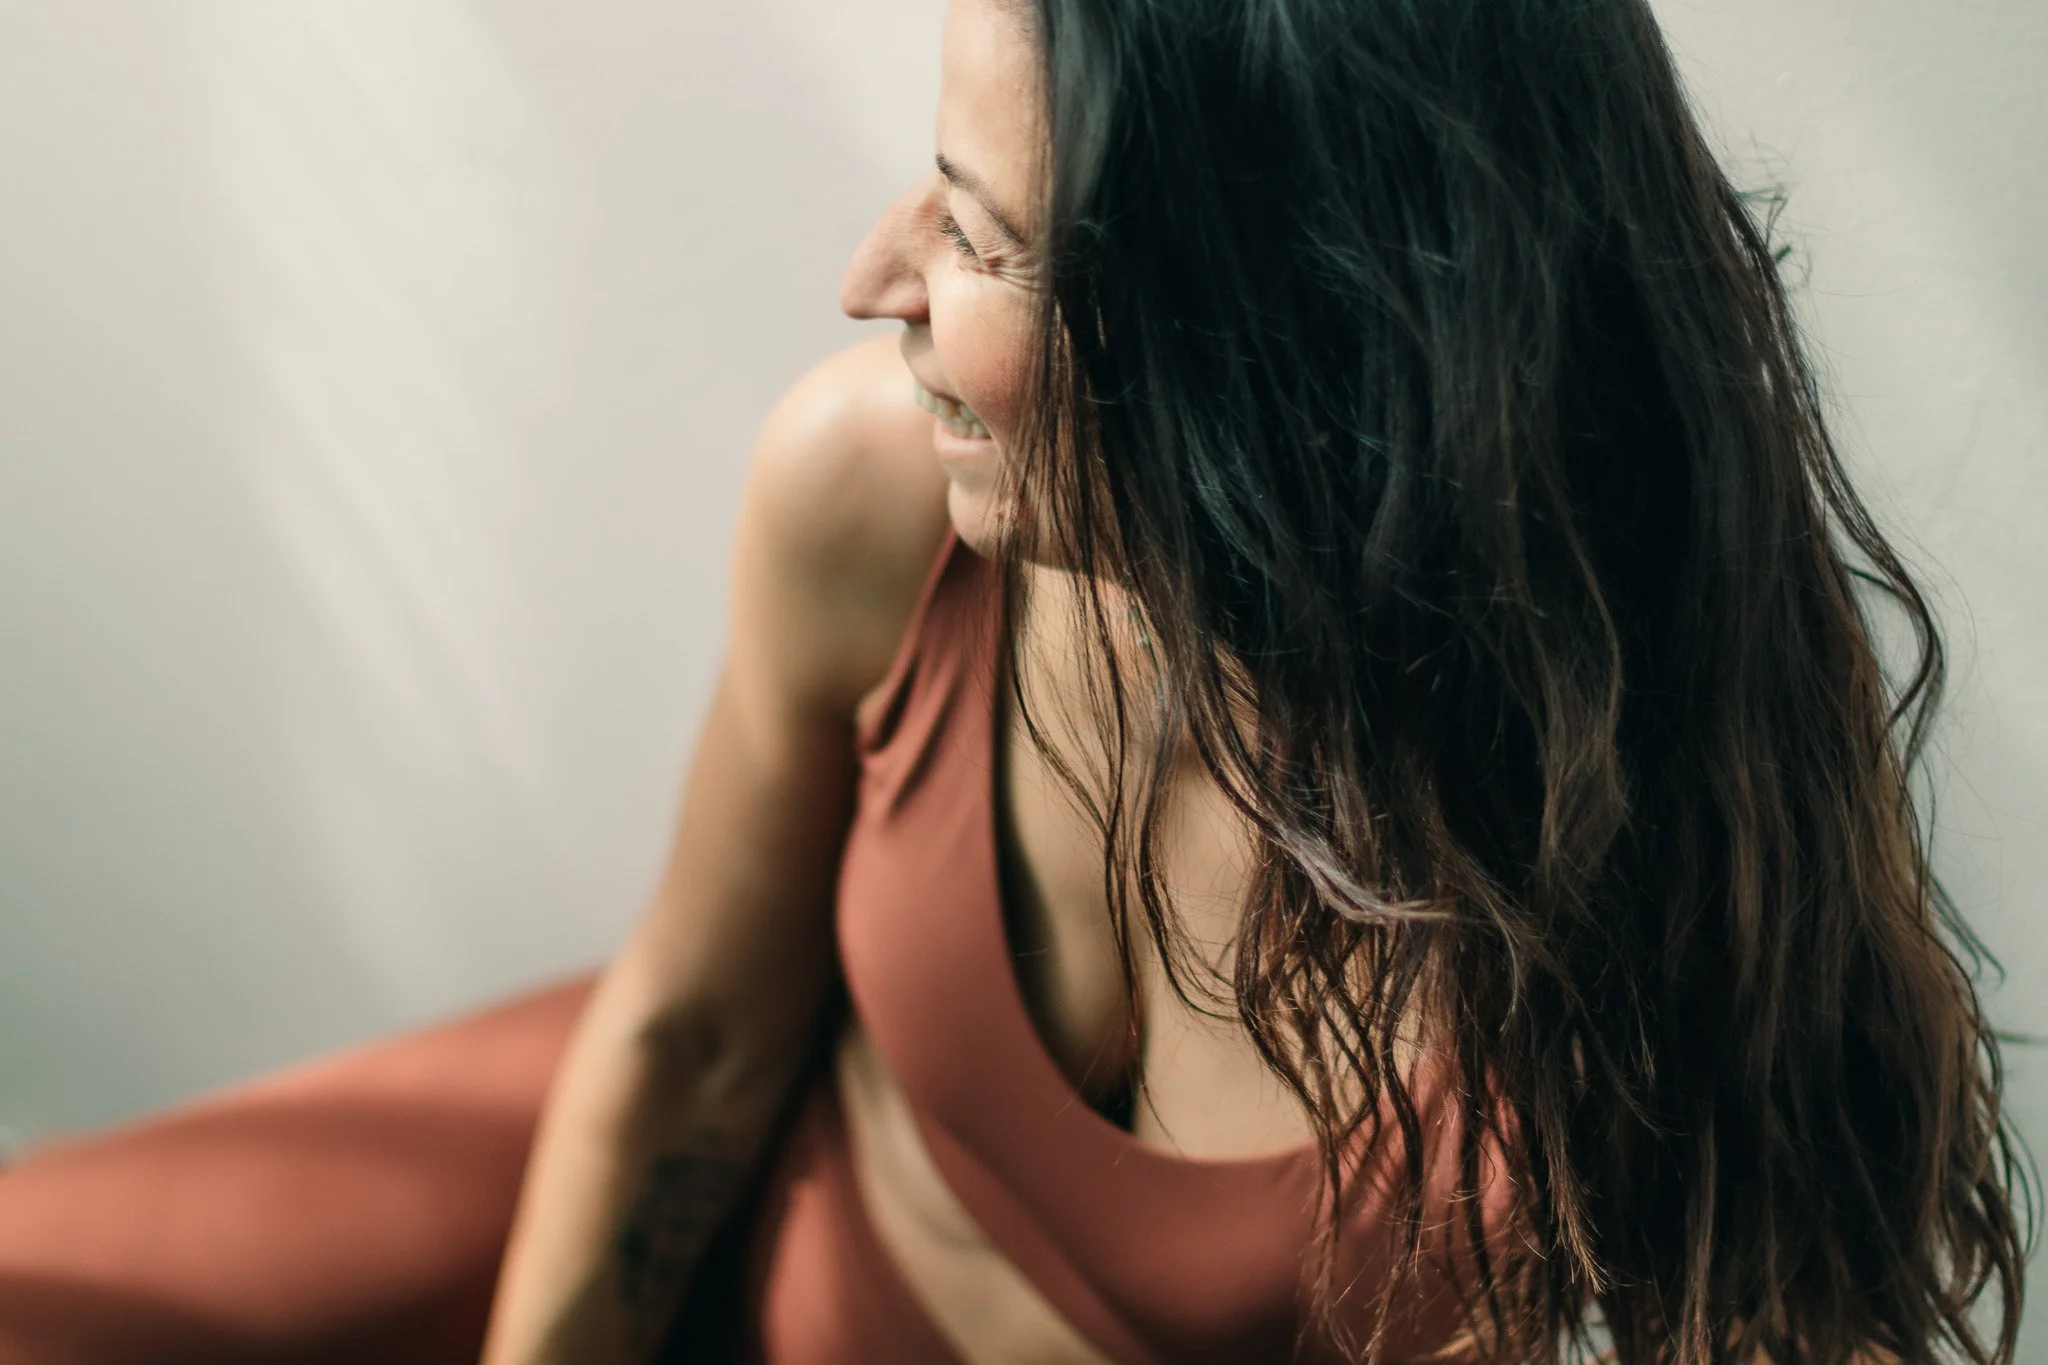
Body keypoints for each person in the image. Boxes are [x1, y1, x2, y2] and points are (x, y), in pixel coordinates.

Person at [0, 0, 2022, 1362]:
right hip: (707, 1193)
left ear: (1261, 352)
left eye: (970, 233)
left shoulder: (1621, 875)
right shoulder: (869, 494)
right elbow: (691, 1038)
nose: (876, 278)